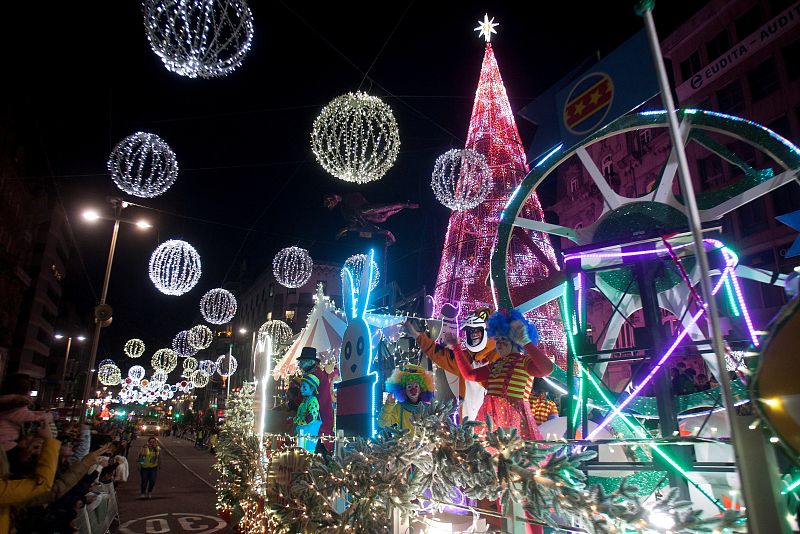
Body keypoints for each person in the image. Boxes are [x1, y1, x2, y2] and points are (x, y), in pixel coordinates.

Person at [405, 306, 500, 422]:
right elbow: (438, 354)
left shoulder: (501, 358)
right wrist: (418, 336)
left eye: (477, 330)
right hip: (466, 430)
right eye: (470, 331)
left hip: (495, 428)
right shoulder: (464, 358)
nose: (473, 334)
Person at [296, 347, 338, 456]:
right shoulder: (316, 373)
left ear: (310, 362)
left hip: (317, 418)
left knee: (313, 447)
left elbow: (305, 396)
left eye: (302, 362)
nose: (299, 365)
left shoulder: (314, 376)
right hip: (321, 416)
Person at [378, 364, 435, 435]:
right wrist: (389, 404)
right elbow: (382, 424)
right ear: (404, 390)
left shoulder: (428, 409)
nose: (413, 389)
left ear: (421, 389)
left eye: (416, 386)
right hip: (403, 445)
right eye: (409, 387)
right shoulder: (399, 408)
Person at [293, 374, 322, 453]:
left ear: (312, 388)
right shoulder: (305, 401)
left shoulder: (312, 401)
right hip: (301, 435)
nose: (301, 389)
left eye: (304, 387)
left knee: (306, 457)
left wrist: (295, 420)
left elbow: (310, 419)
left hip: (308, 438)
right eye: (301, 386)